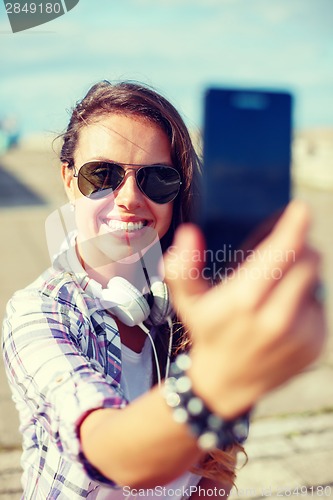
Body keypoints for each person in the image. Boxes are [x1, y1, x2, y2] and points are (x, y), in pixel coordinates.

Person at [1, 81, 326, 499]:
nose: (129, 198)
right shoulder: (37, 312)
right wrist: (213, 383)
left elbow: (217, 467)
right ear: (68, 179)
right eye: (102, 174)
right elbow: (110, 454)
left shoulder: (201, 302)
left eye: (157, 179)